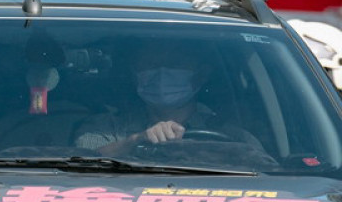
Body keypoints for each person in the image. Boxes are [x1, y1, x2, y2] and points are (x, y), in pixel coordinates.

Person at [74, 44, 263, 157]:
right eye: (151, 64)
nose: (162, 72)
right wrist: (136, 141)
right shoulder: (106, 128)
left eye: (175, 64)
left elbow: (260, 169)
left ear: (202, 74)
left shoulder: (234, 137)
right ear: (135, 74)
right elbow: (80, 162)